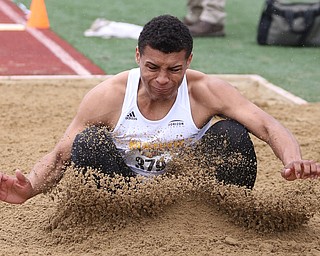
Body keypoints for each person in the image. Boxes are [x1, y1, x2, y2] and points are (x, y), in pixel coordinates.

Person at [0, 14, 319, 205]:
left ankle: (225, 214)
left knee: (233, 134)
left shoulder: (206, 90)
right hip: (124, 192)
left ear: (188, 61)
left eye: (174, 69)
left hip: (188, 194)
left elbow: (267, 125)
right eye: (152, 67)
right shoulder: (109, 95)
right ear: (137, 55)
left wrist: (294, 161)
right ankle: (114, 221)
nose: (163, 80)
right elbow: (61, 155)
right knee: (87, 143)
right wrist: (29, 187)